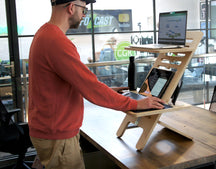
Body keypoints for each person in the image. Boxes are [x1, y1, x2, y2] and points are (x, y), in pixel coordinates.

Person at [28, 0, 165, 168]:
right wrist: (136, 104)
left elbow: (72, 83)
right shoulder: (56, 41)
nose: (84, 15)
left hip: (49, 130)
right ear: (71, 7)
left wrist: (112, 91)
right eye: (84, 10)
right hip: (58, 136)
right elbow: (91, 89)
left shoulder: (44, 33)